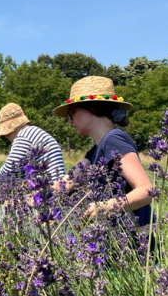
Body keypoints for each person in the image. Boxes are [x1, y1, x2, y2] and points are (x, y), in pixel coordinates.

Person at [53, 76, 153, 226]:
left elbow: (146, 191)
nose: (70, 121)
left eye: (71, 113)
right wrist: (37, 193)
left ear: (91, 108)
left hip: (135, 240)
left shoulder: (114, 140)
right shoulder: (95, 151)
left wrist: (106, 206)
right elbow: (68, 182)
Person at [0, 103, 65, 180]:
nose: (5, 136)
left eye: (5, 132)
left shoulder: (23, 136)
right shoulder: (34, 132)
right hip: (57, 183)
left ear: (11, 128)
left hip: (45, 186)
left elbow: (10, 168)